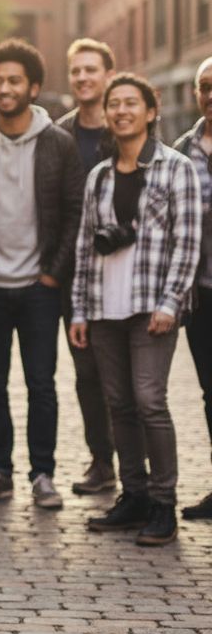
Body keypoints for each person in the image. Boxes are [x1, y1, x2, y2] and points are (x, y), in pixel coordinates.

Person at [0, 38, 83, 510]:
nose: (5, 88)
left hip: (38, 289)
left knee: (41, 384)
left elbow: (74, 214)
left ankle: (43, 474)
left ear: (33, 87)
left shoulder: (58, 144)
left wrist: (53, 274)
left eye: (14, 81)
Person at [71, 73, 201, 545]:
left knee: (150, 401)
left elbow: (188, 243)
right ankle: (134, 496)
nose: (122, 111)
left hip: (152, 308)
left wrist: (172, 302)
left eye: (131, 103)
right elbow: (85, 247)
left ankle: (163, 503)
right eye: (115, 104)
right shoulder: (99, 176)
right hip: (105, 307)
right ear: (107, 114)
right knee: (119, 404)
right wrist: (79, 310)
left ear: (150, 111)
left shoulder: (176, 168)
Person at [57, 38, 117, 497]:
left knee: (129, 380)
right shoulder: (59, 136)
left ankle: (135, 466)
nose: (82, 78)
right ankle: (102, 461)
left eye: (90, 69)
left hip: (124, 273)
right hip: (73, 275)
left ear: (108, 75)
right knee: (87, 375)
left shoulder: (128, 126)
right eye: (76, 70)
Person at [174, 56, 212, 522]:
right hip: (203, 295)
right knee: (210, 393)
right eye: (205, 87)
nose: (211, 95)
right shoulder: (182, 152)